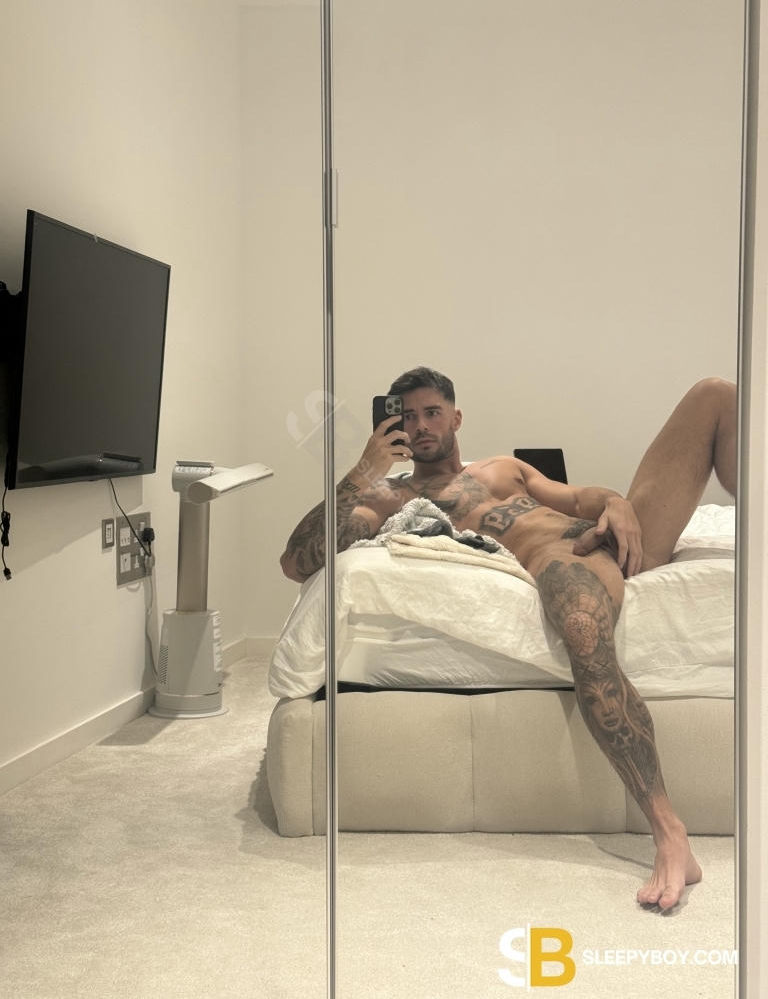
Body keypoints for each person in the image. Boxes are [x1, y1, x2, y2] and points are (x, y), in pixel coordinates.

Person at [280, 366, 737, 911]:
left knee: (715, 395)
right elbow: (297, 560)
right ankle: (669, 833)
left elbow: (576, 497)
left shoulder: (503, 468)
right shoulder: (391, 496)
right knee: (582, 629)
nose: (420, 426)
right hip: (566, 558)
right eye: (408, 416)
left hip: (611, 534)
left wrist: (615, 502)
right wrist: (360, 472)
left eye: (432, 412)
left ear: (455, 418)